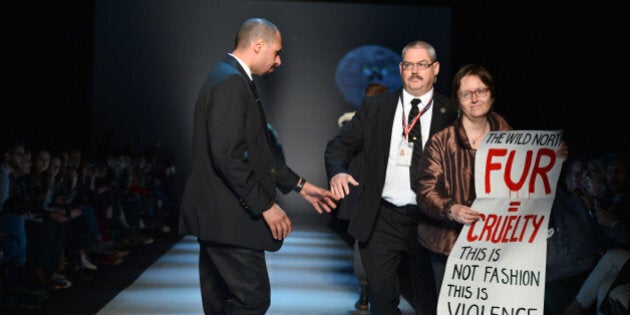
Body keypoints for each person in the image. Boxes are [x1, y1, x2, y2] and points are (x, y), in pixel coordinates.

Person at [178, 17, 338, 315]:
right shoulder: (230, 82)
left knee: (220, 303)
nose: (279, 61)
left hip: (220, 218)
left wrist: (301, 186)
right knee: (252, 300)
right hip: (230, 219)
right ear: (258, 45)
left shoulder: (230, 77)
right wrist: (266, 206)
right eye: (276, 52)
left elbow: (260, 155)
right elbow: (227, 156)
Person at [325, 40, 458, 315]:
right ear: (400, 69)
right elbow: (339, 145)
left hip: (430, 221)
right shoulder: (376, 107)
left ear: (436, 69)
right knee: (382, 301)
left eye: (422, 64)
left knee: (430, 302)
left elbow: (486, 141)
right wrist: (338, 170)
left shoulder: (452, 112)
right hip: (382, 218)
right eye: (408, 64)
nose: (415, 71)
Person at [415, 64, 568, 293]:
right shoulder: (440, 141)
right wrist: (451, 209)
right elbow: (425, 191)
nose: (474, 99)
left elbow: (529, 185)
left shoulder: (514, 139)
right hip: (448, 243)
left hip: (497, 244)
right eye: (466, 94)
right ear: (457, 100)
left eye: (481, 91)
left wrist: (552, 157)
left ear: (492, 96)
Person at [335, 82, 389, 312]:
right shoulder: (391, 126)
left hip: (365, 191)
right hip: (379, 191)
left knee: (364, 240)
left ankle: (366, 292)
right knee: (378, 242)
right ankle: (372, 292)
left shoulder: (352, 124)